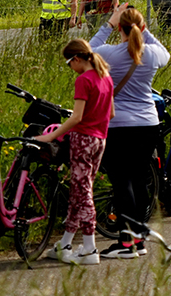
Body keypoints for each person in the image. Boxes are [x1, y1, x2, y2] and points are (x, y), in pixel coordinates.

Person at [89, 4, 170, 259]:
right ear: (142, 28)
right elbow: (166, 53)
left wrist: (108, 24)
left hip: (118, 126)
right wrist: (143, 30)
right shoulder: (152, 54)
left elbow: (86, 51)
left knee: (121, 182)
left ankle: (127, 242)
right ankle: (138, 239)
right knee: (138, 180)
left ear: (120, 28)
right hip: (148, 124)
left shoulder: (109, 54)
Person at [37, 41, 113, 266]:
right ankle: (65, 243)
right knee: (79, 192)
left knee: (84, 194)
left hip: (83, 140)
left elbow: (77, 117)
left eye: (69, 63)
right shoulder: (106, 77)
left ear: (77, 59)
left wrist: (50, 136)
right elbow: (111, 112)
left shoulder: (83, 80)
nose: (70, 67)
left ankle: (90, 248)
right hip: (100, 139)